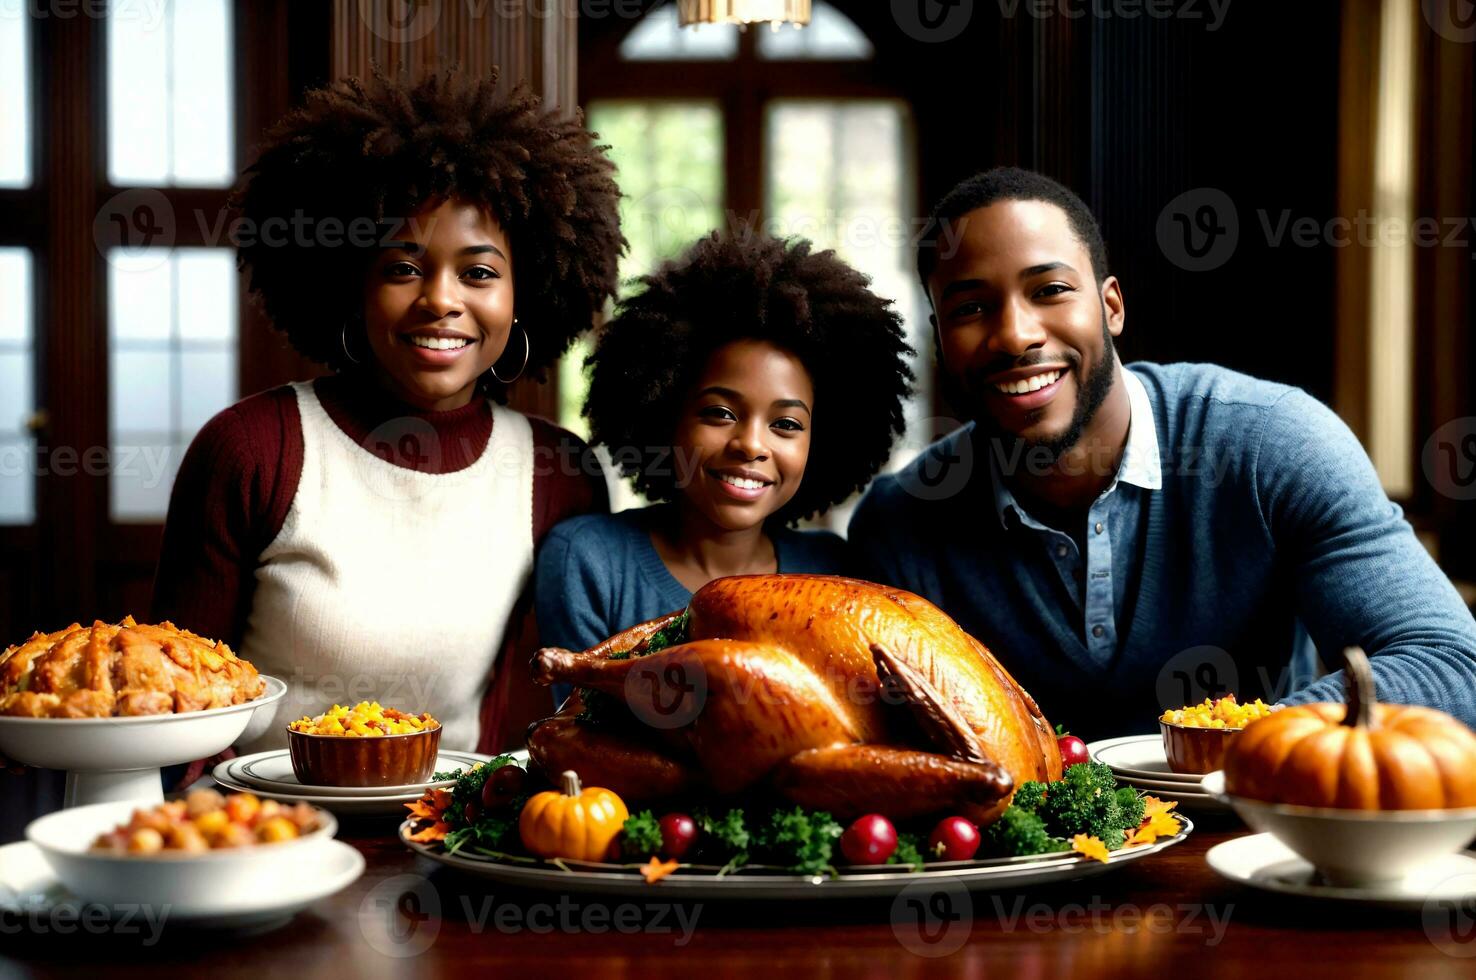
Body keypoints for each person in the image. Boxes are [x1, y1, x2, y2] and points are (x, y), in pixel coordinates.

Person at [849, 167, 1476, 739]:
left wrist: (1246, 740)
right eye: (972, 308)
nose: (1015, 334)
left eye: (1050, 290)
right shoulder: (902, 524)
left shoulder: (1272, 444)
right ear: (940, 340)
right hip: (1029, 860)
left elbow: (1450, 666)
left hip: (1253, 844)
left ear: (1111, 306)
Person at [150, 70, 623, 754]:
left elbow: (529, 719)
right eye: (403, 267)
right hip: (261, 833)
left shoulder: (560, 473)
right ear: (352, 284)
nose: (441, 299)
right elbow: (174, 705)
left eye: (479, 273)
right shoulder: (251, 449)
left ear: (527, 294)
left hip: (452, 834)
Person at [535, 233, 914, 703]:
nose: (751, 445)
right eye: (720, 413)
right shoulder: (590, 561)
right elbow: (579, 740)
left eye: (787, 424)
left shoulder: (834, 572)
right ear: (663, 413)